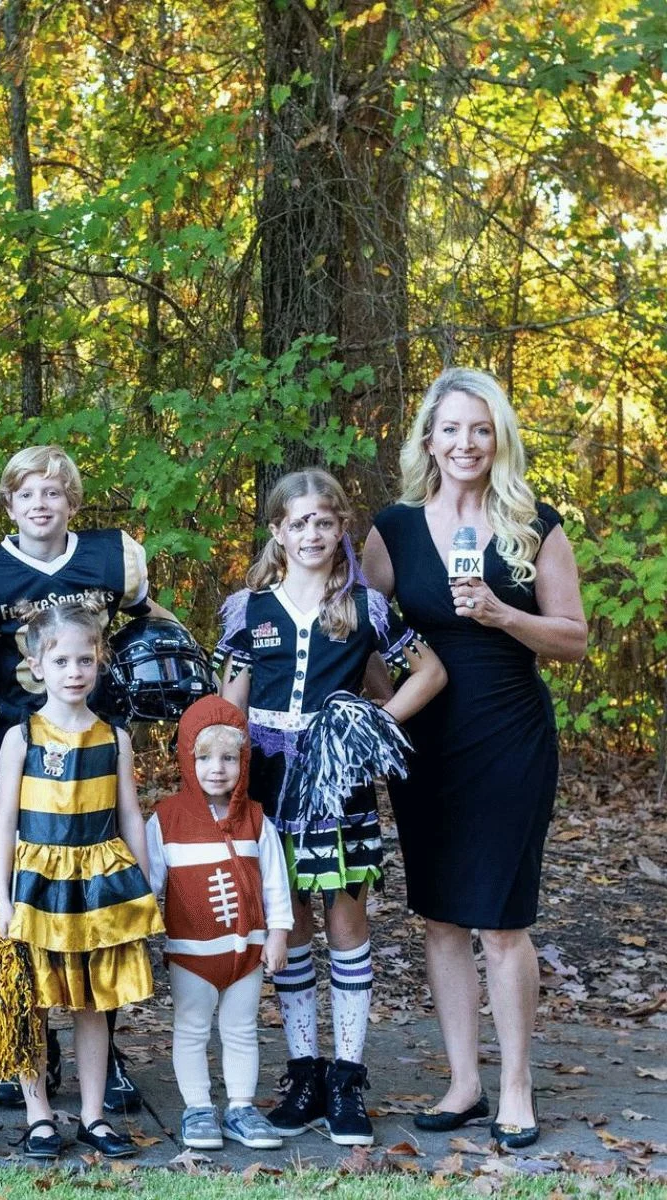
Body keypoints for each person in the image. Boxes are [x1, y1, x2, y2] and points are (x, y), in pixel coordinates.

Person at [362, 368, 586, 1150]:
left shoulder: (533, 524)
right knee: (441, 917)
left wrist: (500, 613)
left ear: (500, 440)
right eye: (452, 430)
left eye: (481, 430)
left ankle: (516, 1085)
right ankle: (463, 1081)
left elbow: (574, 637)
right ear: (430, 439)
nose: (466, 444)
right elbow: (356, 625)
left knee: (500, 922)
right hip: (426, 742)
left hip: (508, 735)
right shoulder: (392, 529)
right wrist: (387, 704)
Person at [0, 444, 175, 1111]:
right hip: (28, 760)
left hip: (98, 759)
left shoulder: (111, 558)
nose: (41, 506)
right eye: (28, 494)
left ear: (73, 501)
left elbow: (145, 628)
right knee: (24, 929)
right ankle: (26, 1061)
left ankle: (109, 1061)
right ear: (9, 504)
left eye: (54, 493)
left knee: (97, 921)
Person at [219, 467, 446, 1147]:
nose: (312, 532)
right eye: (299, 522)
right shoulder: (247, 610)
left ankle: (348, 1076)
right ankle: (305, 1071)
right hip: (265, 785)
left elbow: (431, 671)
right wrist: (222, 782)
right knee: (284, 927)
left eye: (325, 520)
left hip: (336, 785)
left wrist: (374, 725)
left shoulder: (365, 607)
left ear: (341, 526)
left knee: (344, 921)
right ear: (278, 532)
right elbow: (228, 704)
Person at [0, 597, 164, 1159]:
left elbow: (129, 813)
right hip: (34, 885)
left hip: (97, 888)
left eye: (84, 661)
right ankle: (38, 1116)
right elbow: (5, 821)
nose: (74, 672)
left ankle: (93, 1114)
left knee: (92, 1002)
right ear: (36, 666)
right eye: (60, 662)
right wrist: (3, 897)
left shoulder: (114, 738)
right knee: (29, 997)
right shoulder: (21, 737)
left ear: (100, 660)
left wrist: (145, 884)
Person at [146, 695, 293, 1152]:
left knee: (241, 1029)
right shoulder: (167, 819)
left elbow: (275, 882)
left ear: (244, 761)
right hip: (192, 954)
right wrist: (139, 932)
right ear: (188, 758)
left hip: (247, 951)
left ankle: (242, 1107)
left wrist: (279, 933)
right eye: (205, 757)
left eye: (230, 757)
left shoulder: (255, 819)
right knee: (190, 1028)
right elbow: (150, 881)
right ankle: (197, 1108)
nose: (217, 768)